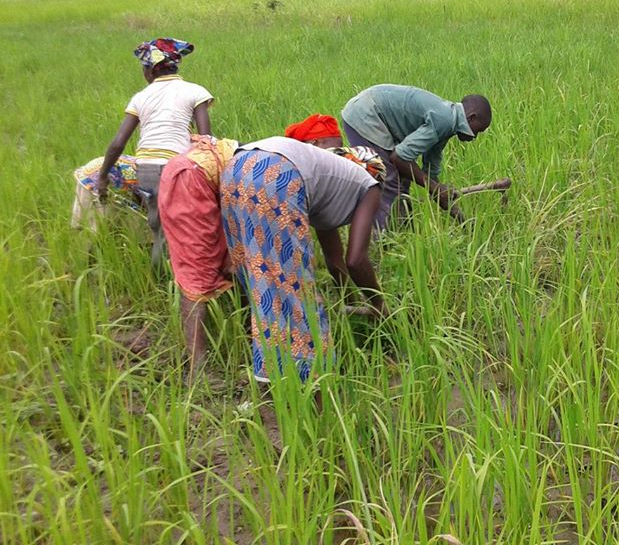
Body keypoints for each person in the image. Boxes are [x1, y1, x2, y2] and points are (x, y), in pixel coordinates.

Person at [221, 124, 387, 384]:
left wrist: (350, 300)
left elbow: (336, 262)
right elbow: (355, 261)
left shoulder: (327, 176)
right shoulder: (370, 185)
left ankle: (260, 363)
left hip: (236, 168)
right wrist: (379, 305)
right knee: (297, 291)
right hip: (277, 174)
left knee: (255, 277)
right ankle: (312, 385)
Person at [72, 38, 214, 265]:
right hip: (178, 170)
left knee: (158, 228)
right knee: (176, 233)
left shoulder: (141, 97)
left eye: (143, 67)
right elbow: (205, 138)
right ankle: (176, 280)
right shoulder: (195, 91)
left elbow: (118, 142)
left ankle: (156, 276)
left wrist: (102, 177)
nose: (143, 73)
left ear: (153, 69)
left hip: (145, 171)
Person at [340, 84, 492, 231]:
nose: (475, 137)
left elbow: (430, 173)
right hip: (365, 114)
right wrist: (434, 187)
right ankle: (385, 243)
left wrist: (461, 219)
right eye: (478, 131)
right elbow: (399, 158)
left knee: (404, 177)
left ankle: (403, 233)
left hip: (371, 110)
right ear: (471, 118)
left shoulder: (448, 122)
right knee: (388, 181)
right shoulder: (445, 120)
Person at [157, 135, 238, 382]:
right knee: (198, 268)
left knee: (233, 254)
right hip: (191, 179)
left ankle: (244, 331)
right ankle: (197, 367)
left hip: (195, 173)